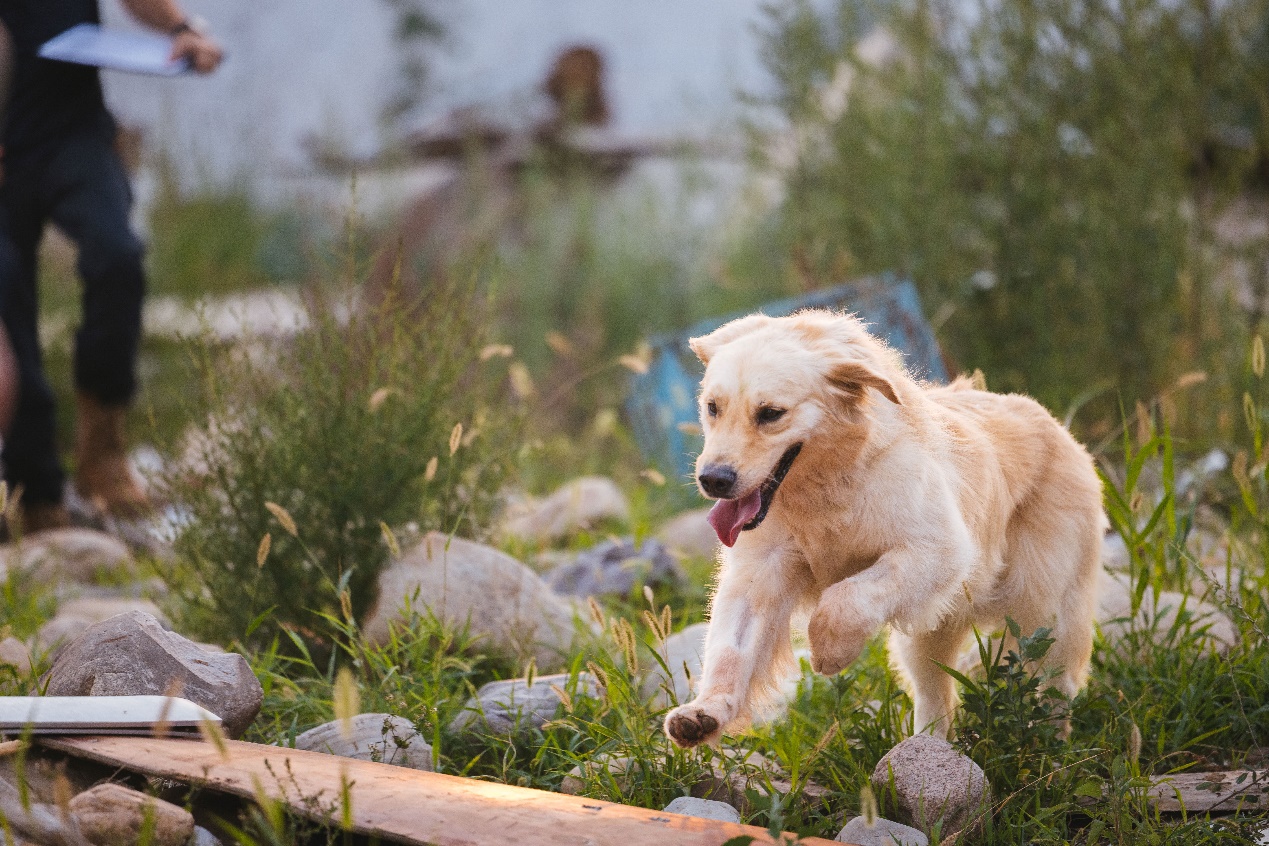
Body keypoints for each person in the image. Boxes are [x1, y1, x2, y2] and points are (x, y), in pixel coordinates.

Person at [0, 0, 222, 533]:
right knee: (7, 292)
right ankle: (35, 493)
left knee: (117, 254)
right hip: (6, 144)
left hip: (73, 134)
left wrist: (181, 28)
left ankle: (103, 448)